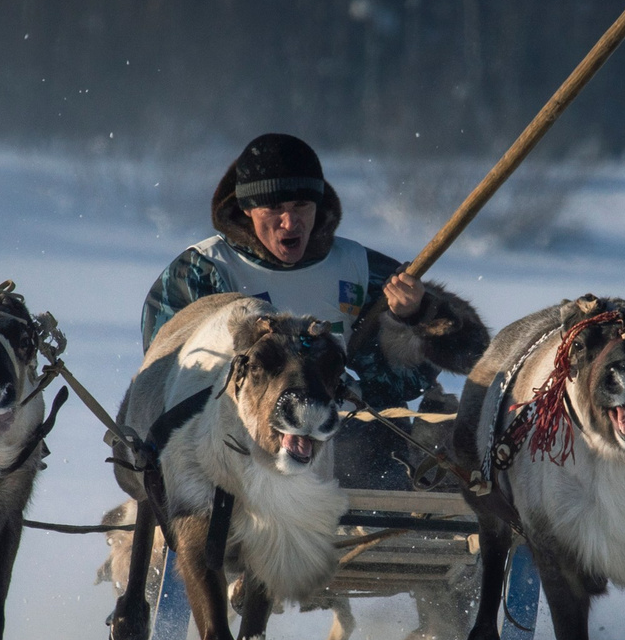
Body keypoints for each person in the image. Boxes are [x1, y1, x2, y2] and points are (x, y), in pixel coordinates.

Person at [141, 135, 489, 477]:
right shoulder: (201, 272)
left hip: (358, 455)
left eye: (300, 207)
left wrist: (420, 315)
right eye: (274, 208)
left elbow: (474, 352)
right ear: (246, 209)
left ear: (318, 206)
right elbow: (168, 378)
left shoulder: (362, 270)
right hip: (235, 458)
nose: (289, 223)